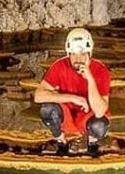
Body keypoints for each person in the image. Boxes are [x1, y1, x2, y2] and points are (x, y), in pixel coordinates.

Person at [34, 28, 111, 157]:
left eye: (82, 54)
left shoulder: (101, 71)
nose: (78, 59)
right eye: (73, 54)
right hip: (67, 114)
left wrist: (90, 79)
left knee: (99, 125)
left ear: (89, 53)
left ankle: (92, 145)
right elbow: (38, 96)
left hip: (88, 114)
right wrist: (73, 98)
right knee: (47, 110)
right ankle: (62, 143)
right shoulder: (60, 66)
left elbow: (99, 111)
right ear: (68, 53)